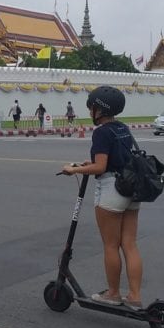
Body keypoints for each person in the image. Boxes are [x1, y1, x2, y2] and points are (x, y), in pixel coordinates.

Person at [60, 86, 143, 310]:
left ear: (99, 109)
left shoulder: (102, 132)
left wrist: (73, 170)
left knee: (110, 245)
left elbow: (101, 166)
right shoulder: (123, 128)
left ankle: (113, 293)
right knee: (130, 244)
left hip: (111, 190)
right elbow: (118, 159)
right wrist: (90, 165)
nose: (90, 111)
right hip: (131, 189)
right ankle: (134, 296)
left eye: (91, 107)